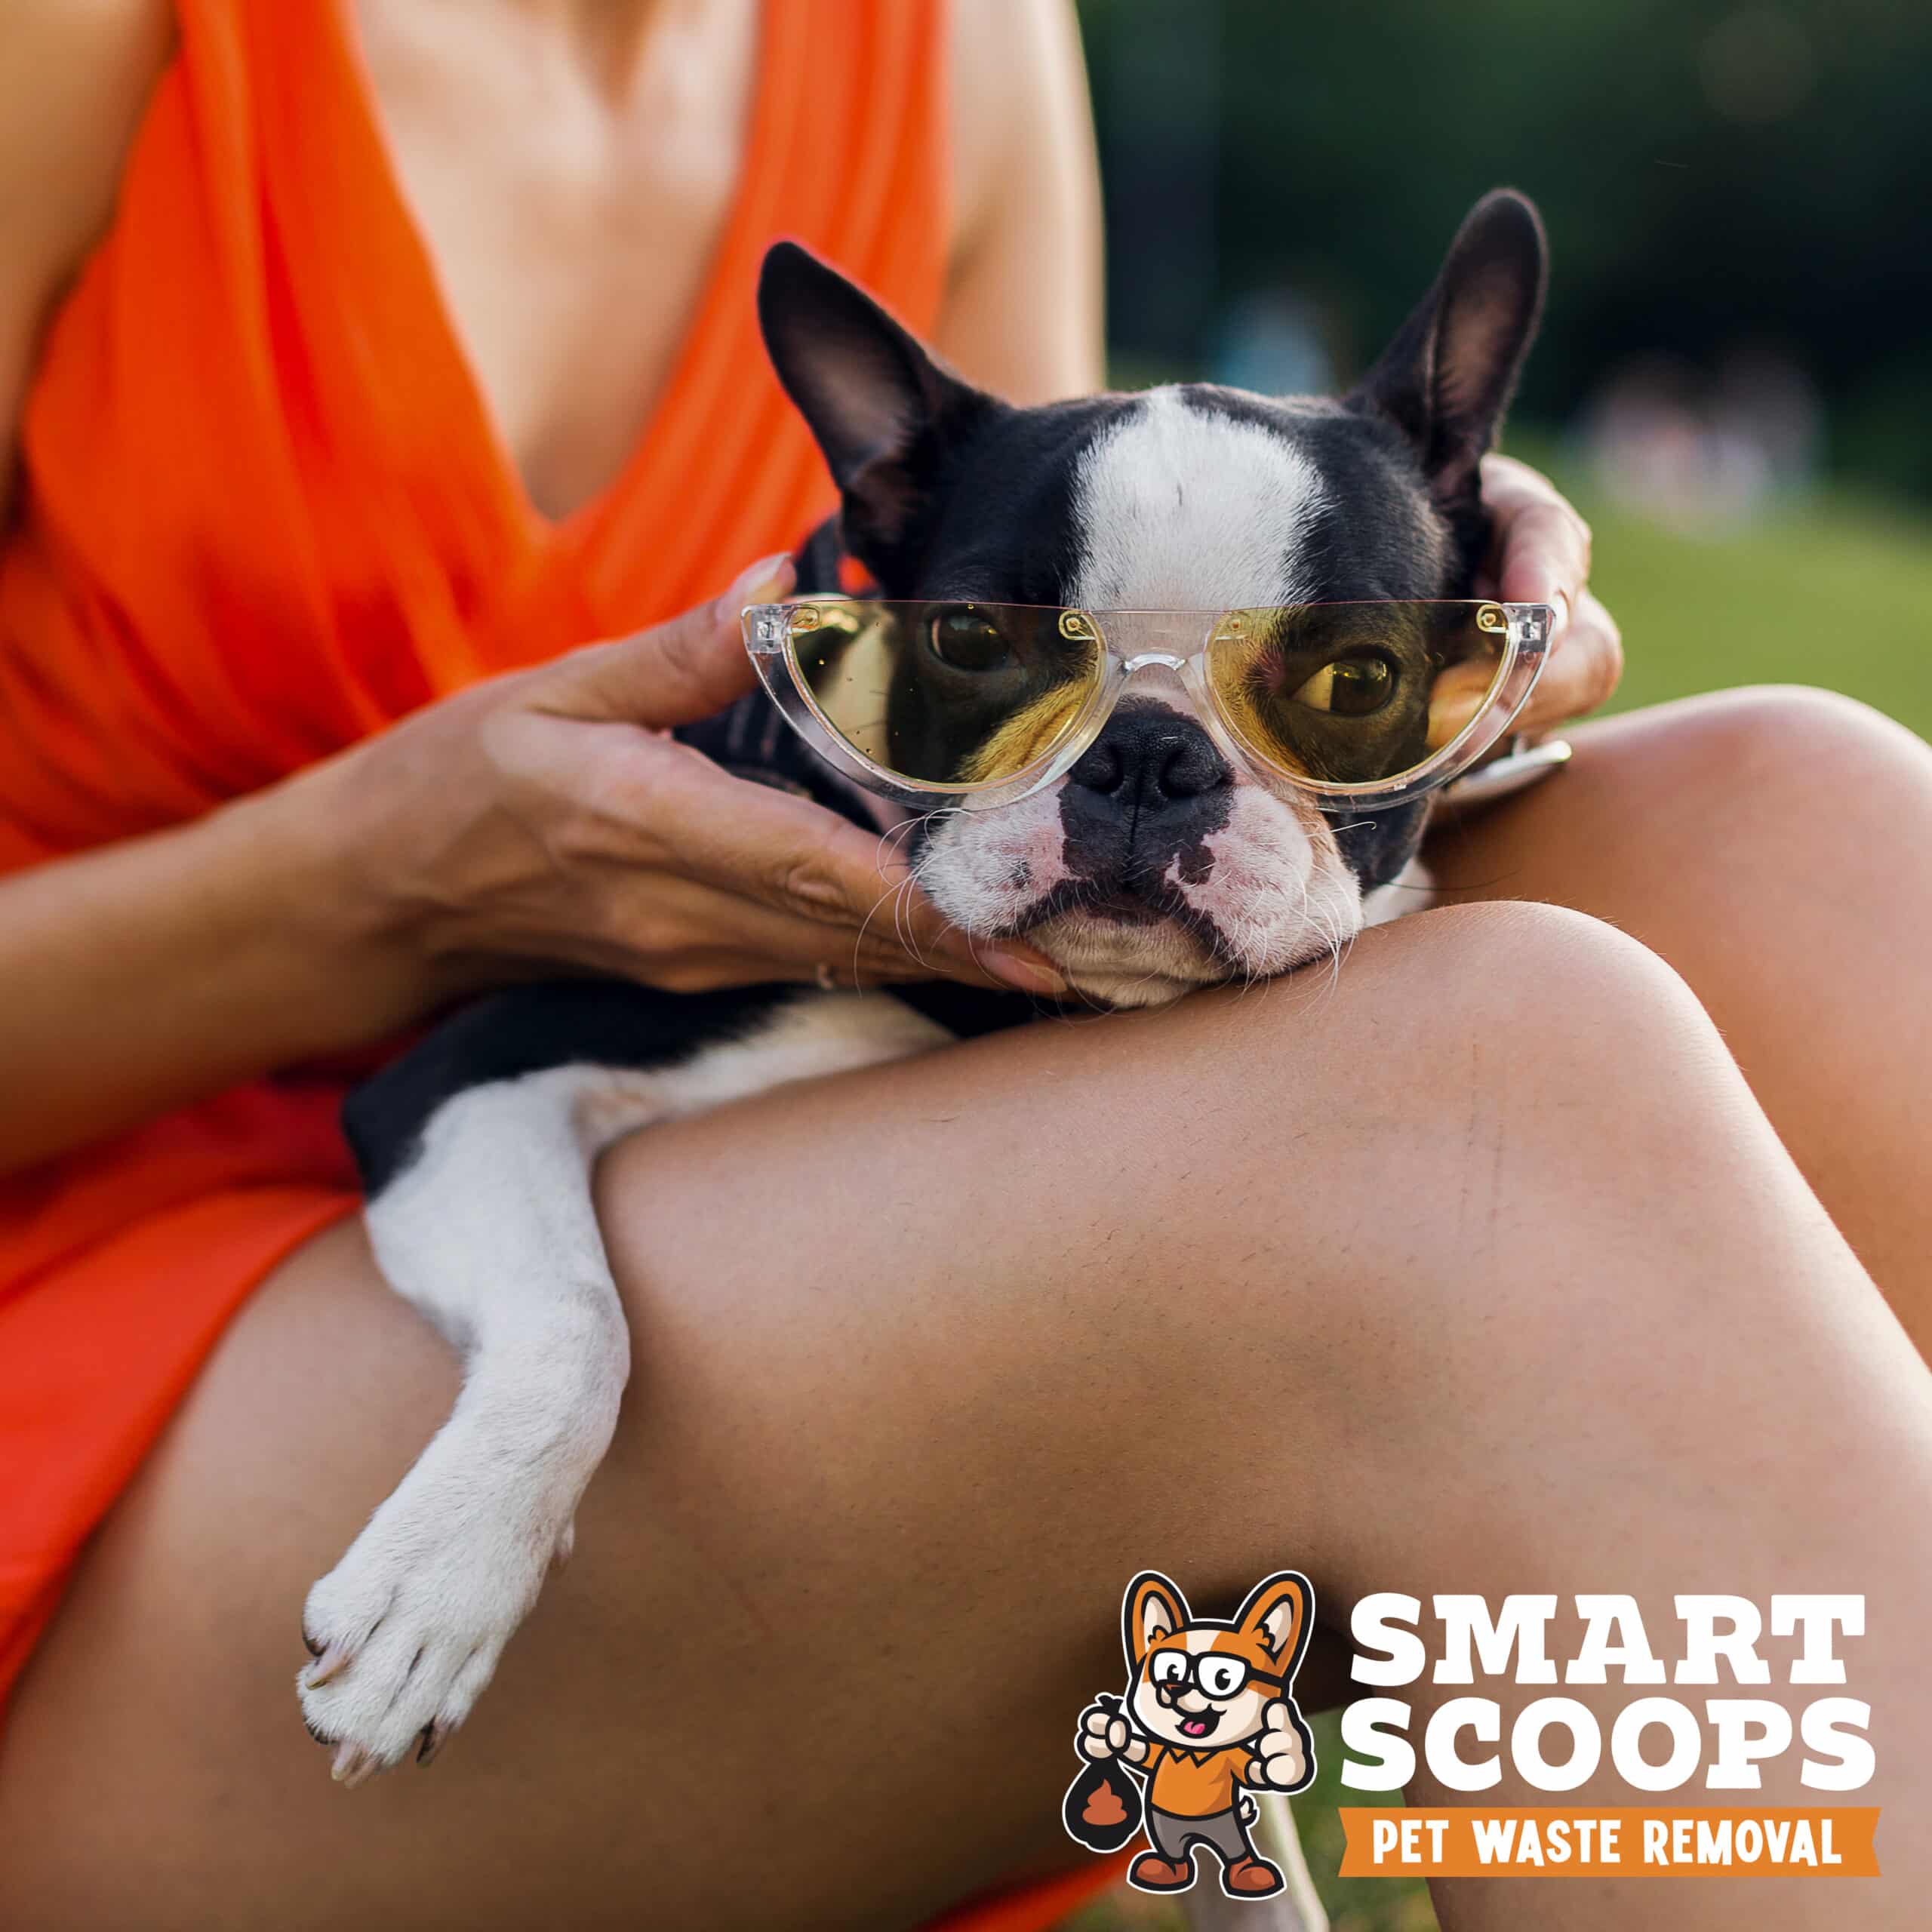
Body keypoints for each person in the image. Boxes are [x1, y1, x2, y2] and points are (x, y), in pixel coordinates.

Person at [2, 5, 1928, 1929]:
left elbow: (1115, 585)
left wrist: (1408, 620)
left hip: (812, 1196)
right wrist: (388, 883)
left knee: (1809, 822)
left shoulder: (956, 40)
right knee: (1500, 1086)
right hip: (144, 1333)